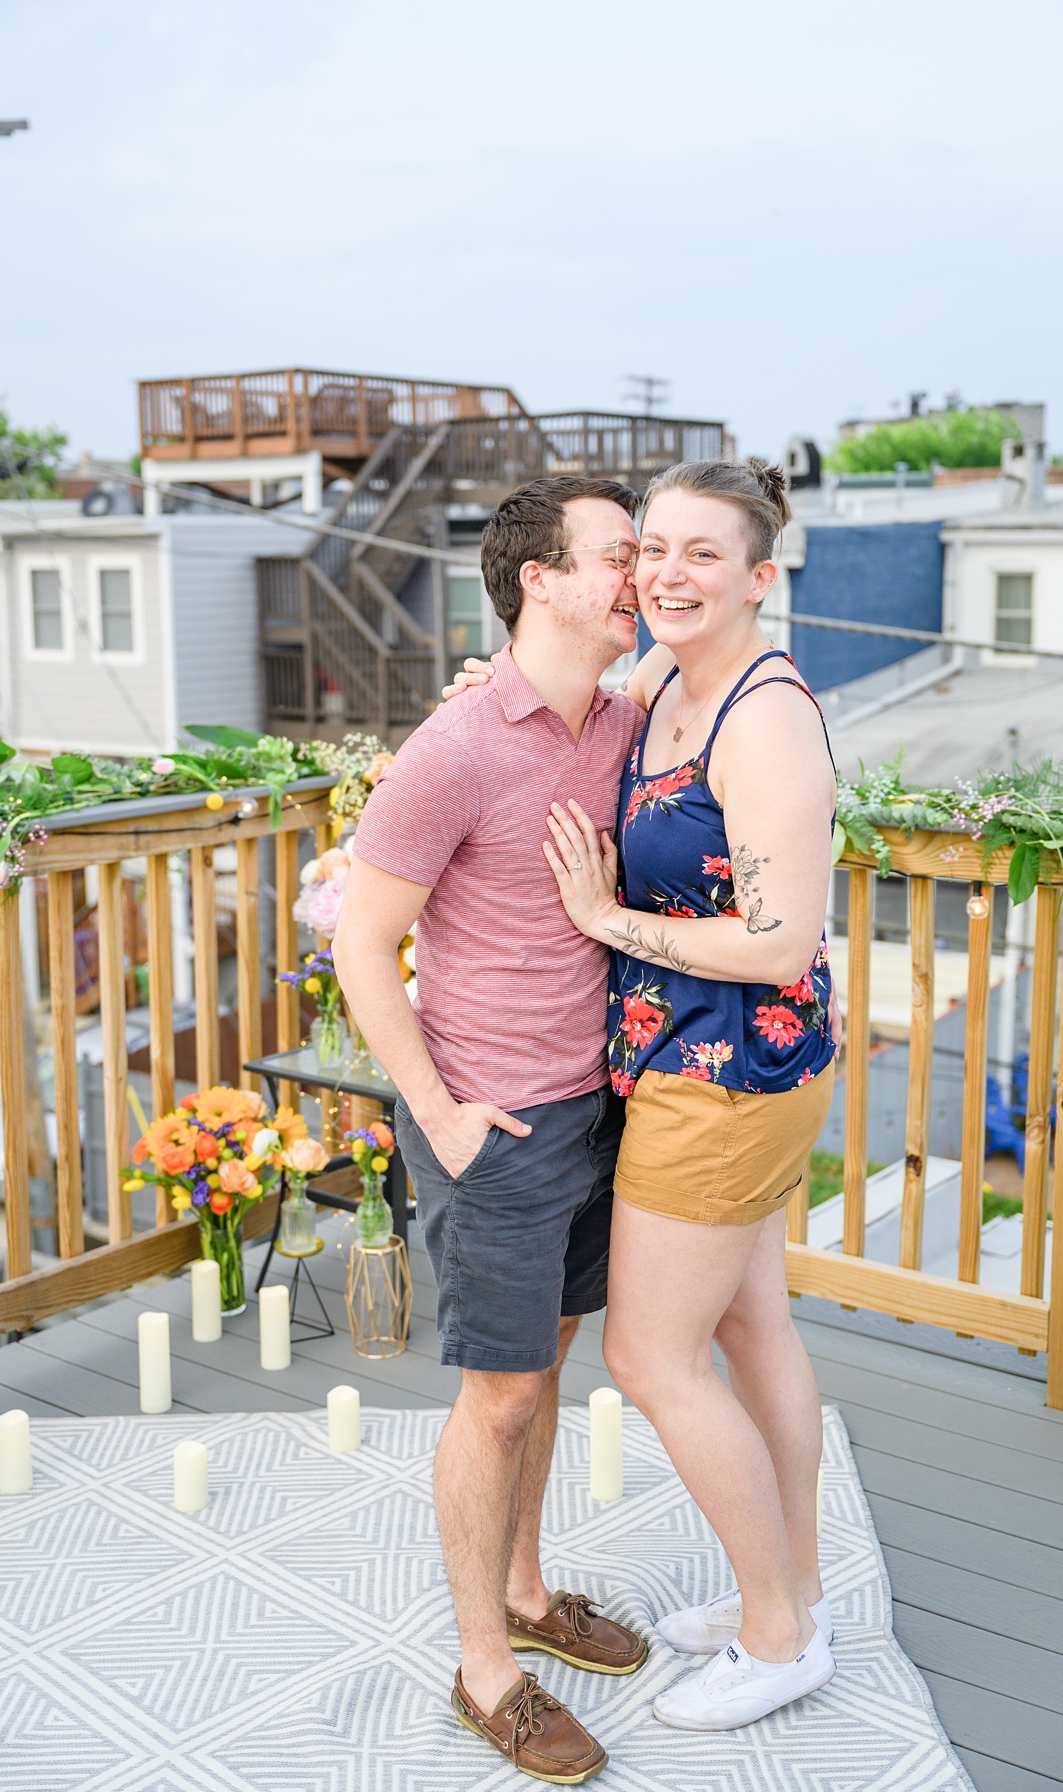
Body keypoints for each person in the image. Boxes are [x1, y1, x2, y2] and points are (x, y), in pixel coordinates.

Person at [338, 473, 650, 1785]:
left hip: (595, 1107)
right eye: (617, 555)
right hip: (492, 1125)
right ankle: (487, 1669)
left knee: (550, 1372)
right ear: (542, 577)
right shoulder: (454, 747)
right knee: (501, 1395)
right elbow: (363, 943)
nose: (637, 575)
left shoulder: (626, 722)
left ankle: (528, 1590)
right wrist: (442, 1115)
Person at [538, 458, 840, 1732]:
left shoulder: (763, 716)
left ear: (762, 576)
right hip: (701, 1061)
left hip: (726, 1075)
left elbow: (780, 940)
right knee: (753, 1327)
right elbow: (582, 697)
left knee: (648, 1352)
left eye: (701, 554)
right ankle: (798, 1594)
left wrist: (606, 919)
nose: (665, 571)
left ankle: (776, 1640)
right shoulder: (666, 678)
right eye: (651, 547)